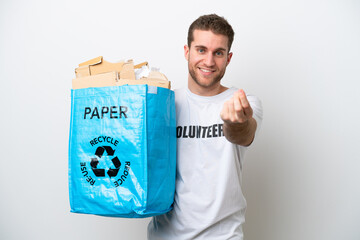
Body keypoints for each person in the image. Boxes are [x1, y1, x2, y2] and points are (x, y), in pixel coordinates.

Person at [148, 14, 263, 240]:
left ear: (228, 58)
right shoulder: (164, 104)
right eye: (201, 50)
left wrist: (234, 123)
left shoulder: (243, 103)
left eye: (218, 53)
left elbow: (243, 133)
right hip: (165, 235)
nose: (209, 62)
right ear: (186, 51)